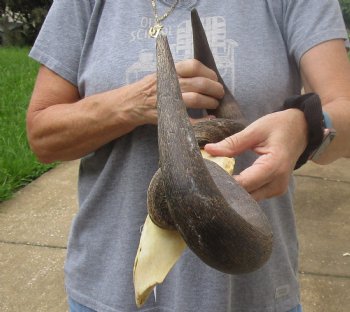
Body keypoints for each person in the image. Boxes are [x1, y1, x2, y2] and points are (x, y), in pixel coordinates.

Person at [26, 0, 350, 311]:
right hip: (106, 294)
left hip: (252, 295)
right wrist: (133, 103)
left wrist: (305, 127)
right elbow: (43, 137)